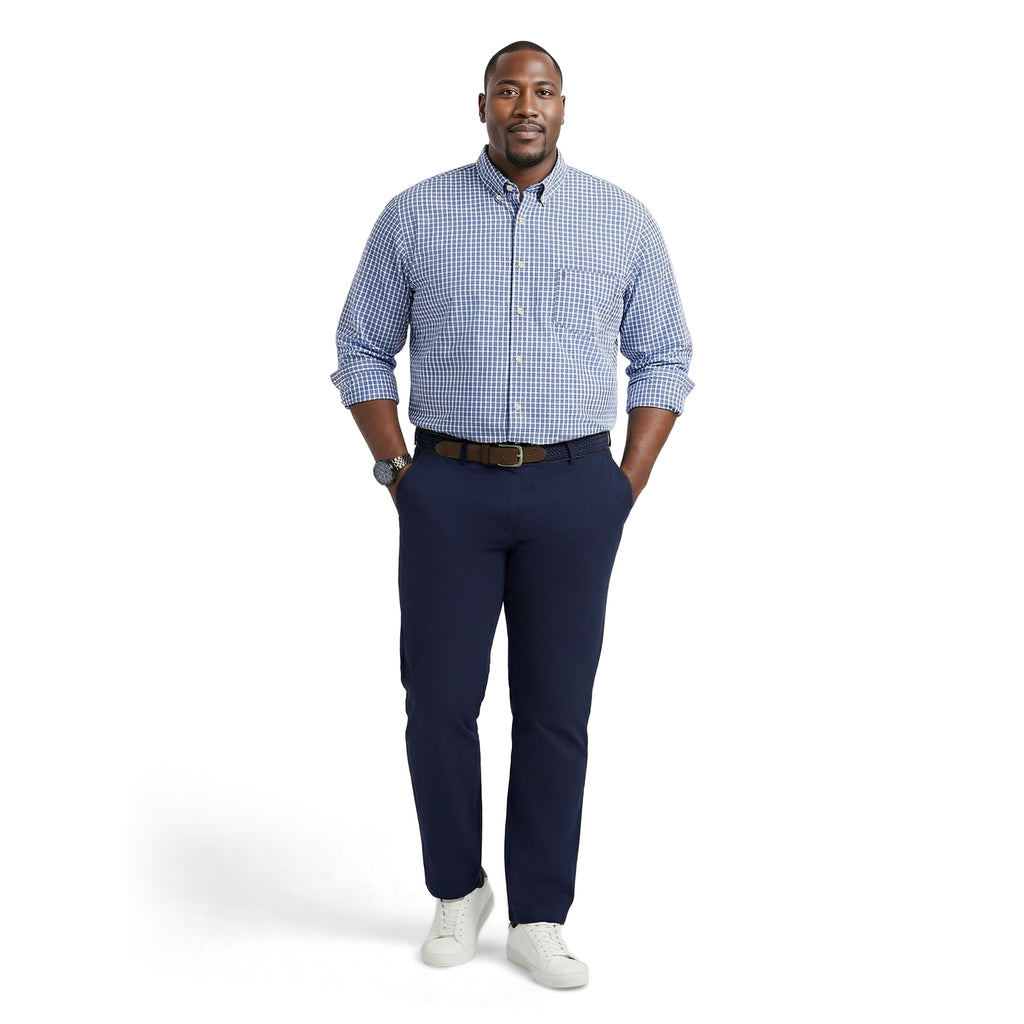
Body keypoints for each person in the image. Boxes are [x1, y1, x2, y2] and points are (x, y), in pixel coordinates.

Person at [330, 40, 694, 988]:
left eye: (542, 92)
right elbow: (360, 348)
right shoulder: (416, 214)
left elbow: (665, 356)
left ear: (563, 107)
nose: (524, 106)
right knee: (439, 702)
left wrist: (623, 486)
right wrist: (399, 470)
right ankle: (459, 890)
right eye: (507, 91)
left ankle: (540, 913)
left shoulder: (620, 219)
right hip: (446, 487)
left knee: (556, 710)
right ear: (483, 104)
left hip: (576, 490)